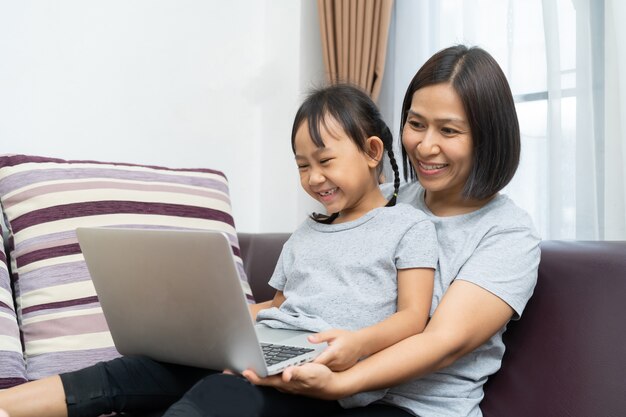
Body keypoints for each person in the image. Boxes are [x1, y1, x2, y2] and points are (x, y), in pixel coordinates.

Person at [148, 44, 540, 416]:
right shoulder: (380, 201)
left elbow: (442, 343)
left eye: (449, 131)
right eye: (416, 124)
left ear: (487, 137)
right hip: (329, 380)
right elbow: (308, 297)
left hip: (409, 407)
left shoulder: (507, 234)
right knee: (167, 370)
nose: (424, 146)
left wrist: (343, 383)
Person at [0, 84, 438, 417]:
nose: (313, 177)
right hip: (275, 348)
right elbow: (279, 307)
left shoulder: (408, 227)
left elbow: (413, 318)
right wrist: (206, 328)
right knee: (143, 367)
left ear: (371, 152)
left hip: (325, 375)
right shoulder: (308, 232)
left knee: (223, 394)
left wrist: (357, 343)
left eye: (325, 162)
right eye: (302, 166)